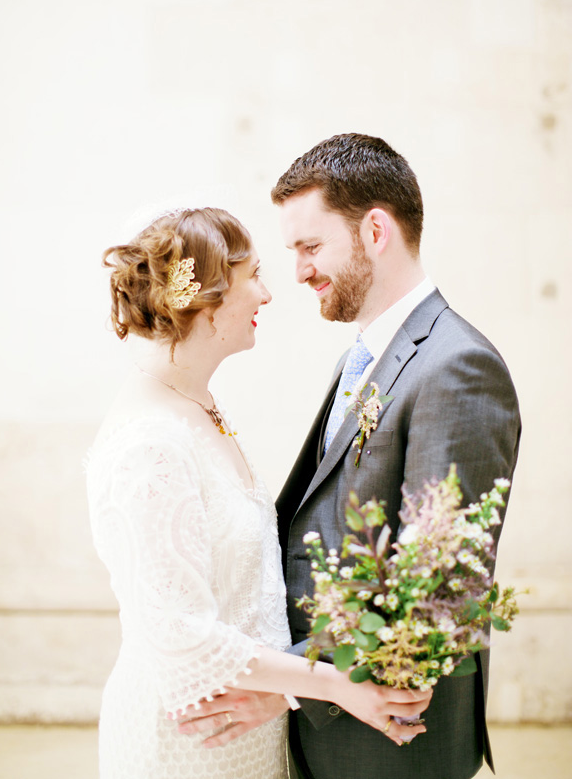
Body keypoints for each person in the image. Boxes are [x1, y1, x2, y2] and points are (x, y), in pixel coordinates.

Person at [180, 136, 521, 779]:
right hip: (332, 721)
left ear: (374, 230)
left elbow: (439, 586)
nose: (300, 271)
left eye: (310, 247)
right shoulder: (363, 357)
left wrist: (289, 684)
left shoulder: (457, 368)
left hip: (389, 736)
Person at [86, 206, 431, 779]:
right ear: (205, 298)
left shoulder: (197, 403)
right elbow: (179, 635)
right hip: (187, 742)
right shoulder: (149, 444)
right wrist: (338, 684)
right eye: (253, 277)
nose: (268, 295)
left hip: (247, 733)